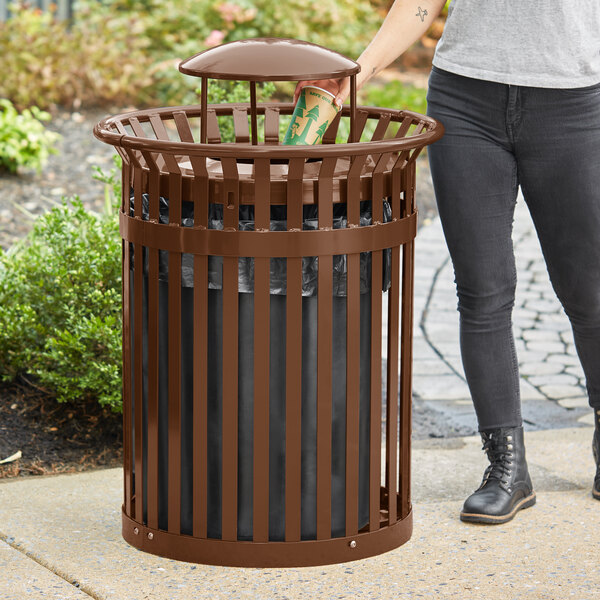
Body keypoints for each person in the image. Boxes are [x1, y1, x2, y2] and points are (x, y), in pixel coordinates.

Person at [295, 0, 600, 523]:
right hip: (465, 101)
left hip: (574, 105)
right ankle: (507, 466)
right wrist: (359, 72)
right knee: (482, 290)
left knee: (588, 289)